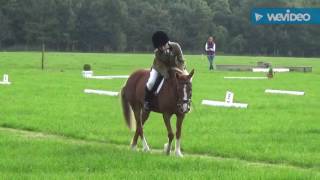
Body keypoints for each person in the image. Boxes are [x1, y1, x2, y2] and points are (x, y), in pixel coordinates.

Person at [144, 31, 186, 111]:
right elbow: (161, 65)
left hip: (175, 67)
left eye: (163, 46)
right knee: (151, 82)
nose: (162, 48)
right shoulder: (157, 52)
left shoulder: (176, 46)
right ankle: (146, 101)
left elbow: (181, 60)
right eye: (160, 47)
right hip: (159, 68)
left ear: (167, 42)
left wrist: (180, 71)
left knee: (188, 79)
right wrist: (166, 74)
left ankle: (186, 100)